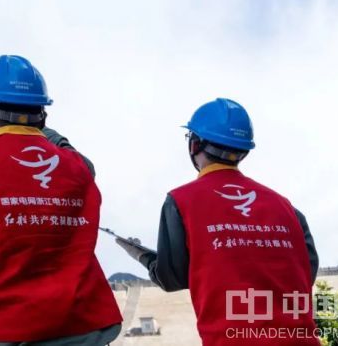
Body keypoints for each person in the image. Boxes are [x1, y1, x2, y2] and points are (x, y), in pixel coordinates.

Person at [0, 55, 122, 346]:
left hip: (6, 332)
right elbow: (71, 151)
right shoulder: (79, 167)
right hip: (86, 328)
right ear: (43, 112)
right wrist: (37, 129)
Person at [116, 98, 320, 346]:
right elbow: (306, 272)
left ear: (194, 144)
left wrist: (141, 255)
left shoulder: (181, 201)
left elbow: (172, 277)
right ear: (243, 150)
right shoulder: (287, 208)